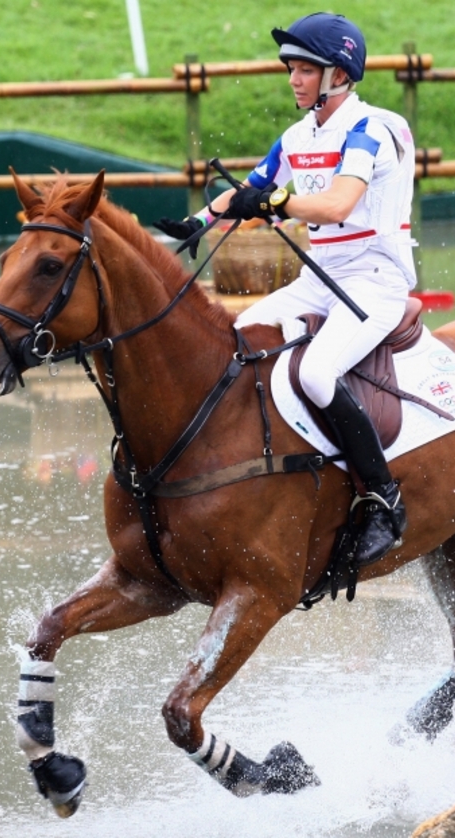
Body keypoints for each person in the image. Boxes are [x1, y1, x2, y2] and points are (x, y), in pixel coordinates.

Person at [155, 12, 416, 567]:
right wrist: (196, 224)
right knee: (239, 338)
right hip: (319, 278)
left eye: (305, 69)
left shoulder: (370, 130)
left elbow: (337, 204)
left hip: (374, 281)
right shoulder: (298, 136)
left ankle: (383, 500)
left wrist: (277, 203)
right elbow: (248, 188)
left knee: (317, 373)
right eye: (291, 69)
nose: (294, 79)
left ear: (339, 74)